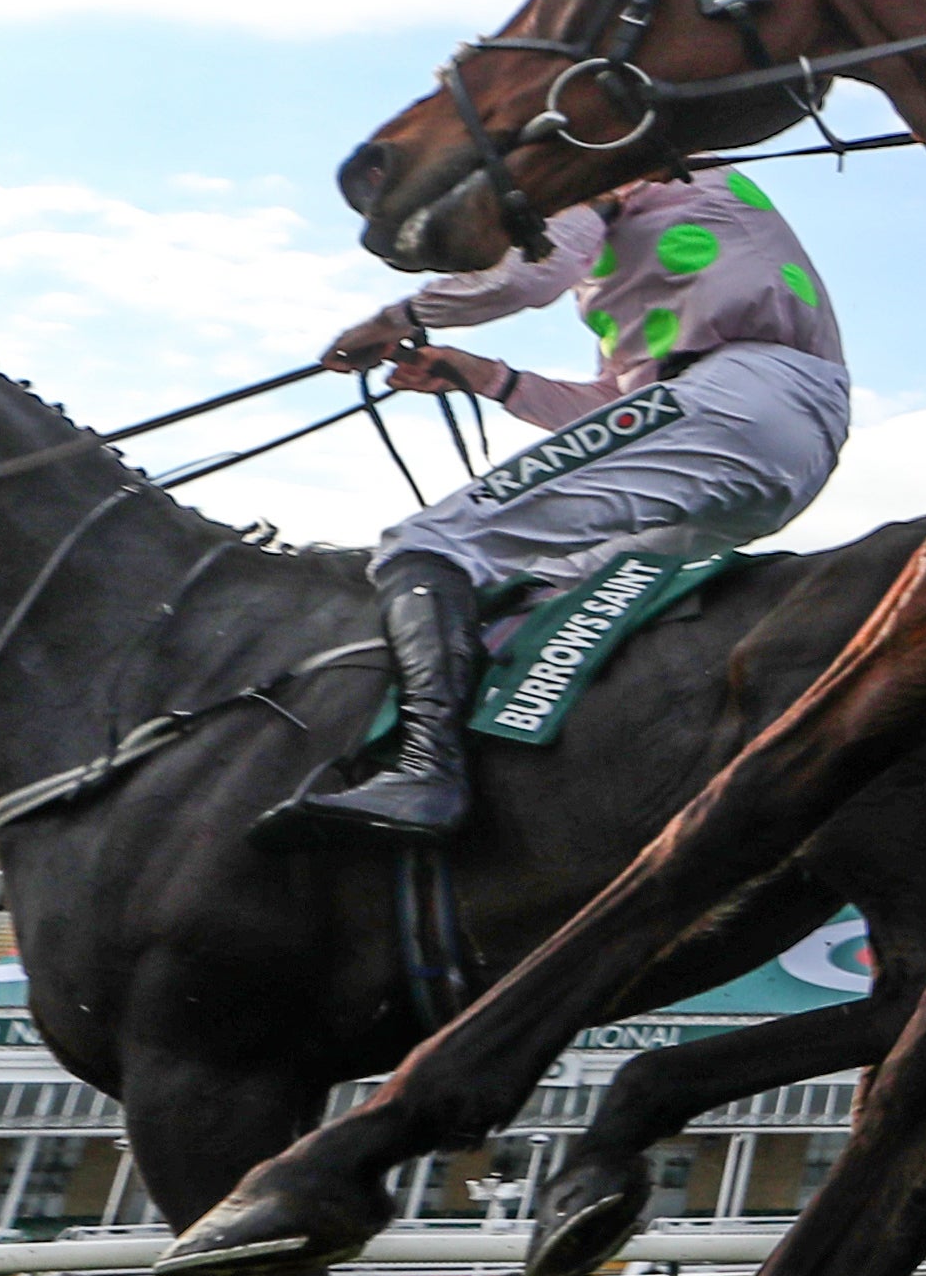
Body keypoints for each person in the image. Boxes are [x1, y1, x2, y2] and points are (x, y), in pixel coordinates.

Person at [258, 168, 851, 850]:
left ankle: (427, 769)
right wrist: (489, 378)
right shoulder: (671, 243)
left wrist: (393, 321)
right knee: (544, 588)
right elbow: (624, 411)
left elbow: (523, 280)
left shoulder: (614, 174)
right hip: (778, 437)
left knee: (430, 544)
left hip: (739, 398)